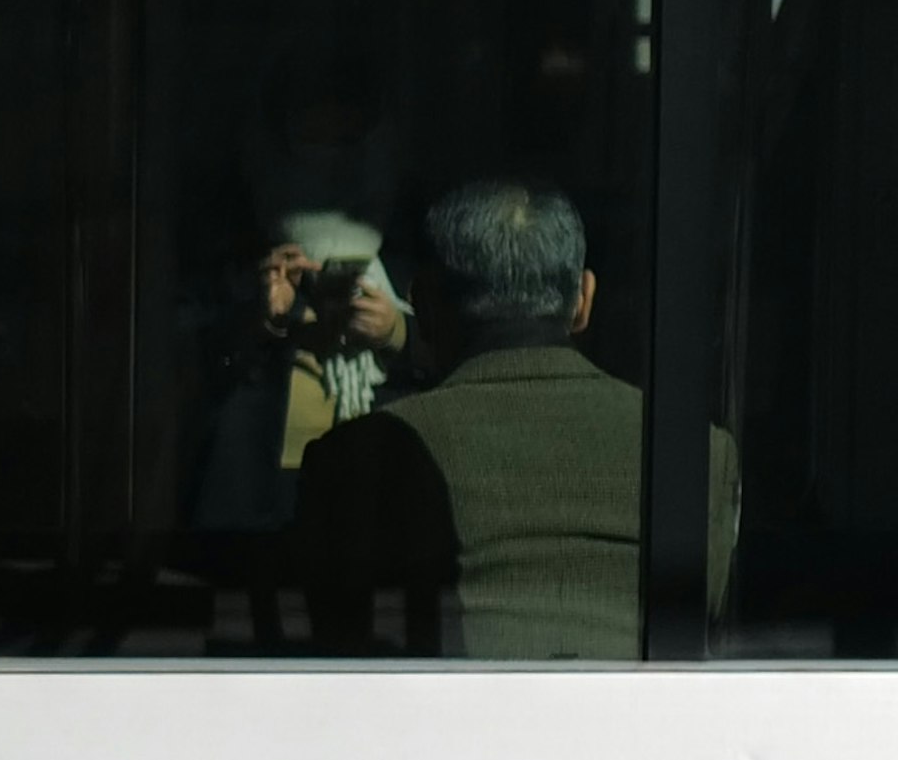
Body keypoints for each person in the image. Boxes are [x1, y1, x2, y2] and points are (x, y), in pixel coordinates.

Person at [294, 176, 732, 658]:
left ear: (423, 305)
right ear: (583, 301)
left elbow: (341, 652)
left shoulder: (353, 459)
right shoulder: (700, 454)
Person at [188, 209, 410, 535]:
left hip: (372, 486)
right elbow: (206, 376)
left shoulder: (405, 280)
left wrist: (395, 331)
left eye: (352, 271)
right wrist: (265, 320)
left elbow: (446, 362)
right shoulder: (244, 287)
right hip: (270, 489)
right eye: (321, 273)